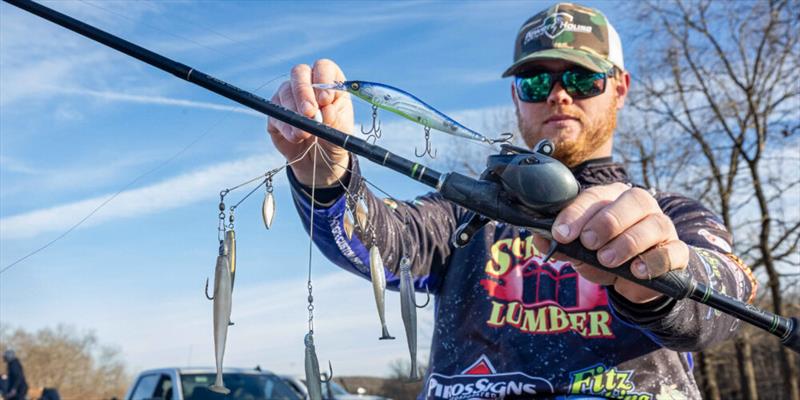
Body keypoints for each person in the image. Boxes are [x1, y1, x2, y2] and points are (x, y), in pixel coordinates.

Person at [267, 3, 757, 399]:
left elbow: (729, 295)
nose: (559, 95)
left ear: (620, 88)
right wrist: (325, 176)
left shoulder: (672, 215)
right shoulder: (464, 212)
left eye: (583, 79)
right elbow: (381, 243)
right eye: (537, 81)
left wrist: (659, 276)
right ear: (517, 96)